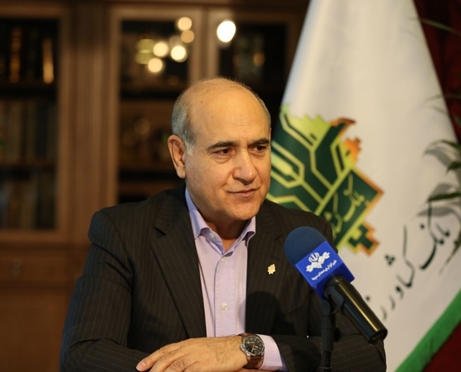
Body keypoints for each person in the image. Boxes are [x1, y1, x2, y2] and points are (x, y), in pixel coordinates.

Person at [60, 77, 386, 372]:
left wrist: (250, 348)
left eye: (259, 148)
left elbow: (366, 353)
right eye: (225, 151)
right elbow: (83, 356)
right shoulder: (124, 233)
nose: (248, 171)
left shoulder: (302, 238)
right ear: (180, 156)